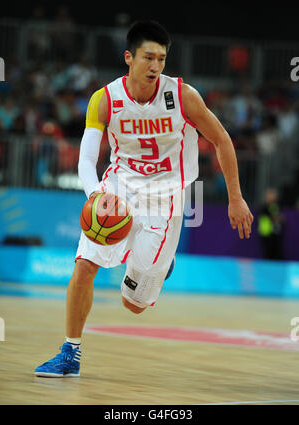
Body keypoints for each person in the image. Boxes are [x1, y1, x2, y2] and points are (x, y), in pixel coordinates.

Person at [35, 20, 254, 377]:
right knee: (84, 265)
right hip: (119, 186)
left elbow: (222, 140)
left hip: (166, 198)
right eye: (148, 57)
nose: (155, 66)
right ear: (129, 58)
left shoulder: (183, 96)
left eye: (162, 59)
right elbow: (87, 159)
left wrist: (235, 197)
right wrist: (97, 195)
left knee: (133, 305)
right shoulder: (104, 99)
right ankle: (69, 353)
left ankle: (161, 266)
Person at [257, 187, 284, 260]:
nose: (271, 197)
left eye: (272, 195)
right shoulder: (263, 208)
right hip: (266, 234)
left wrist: (279, 219)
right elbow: (263, 219)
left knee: (276, 253)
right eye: (269, 195)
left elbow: (279, 218)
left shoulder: (276, 206)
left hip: (275, 234)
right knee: (267, 253)